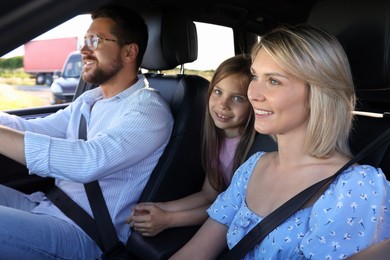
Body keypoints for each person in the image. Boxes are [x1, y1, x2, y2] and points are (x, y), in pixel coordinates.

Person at [171, 24, 390, 259]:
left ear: (318, 93)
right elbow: (195, 252)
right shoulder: (253, 167)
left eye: (274, 81)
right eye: (255, 76)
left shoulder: (354, 188)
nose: (253, 93)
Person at [0, 5, 173, 259]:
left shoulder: (148, 111)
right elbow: (35, 129)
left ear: (129, 52)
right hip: (47, 206)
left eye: (95, 40)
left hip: (84, 234)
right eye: (84, 41)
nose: (83, 50)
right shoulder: (91, 100)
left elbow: (87, 161)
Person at [128, 54, 256, 236]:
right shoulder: (216, 139)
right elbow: (209, 195)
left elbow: (231, 210)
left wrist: (168, 220)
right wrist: (159, 207)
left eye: (237, 98)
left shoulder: (255, 151)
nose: (223, 104)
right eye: (218, 92)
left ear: (253, 103)